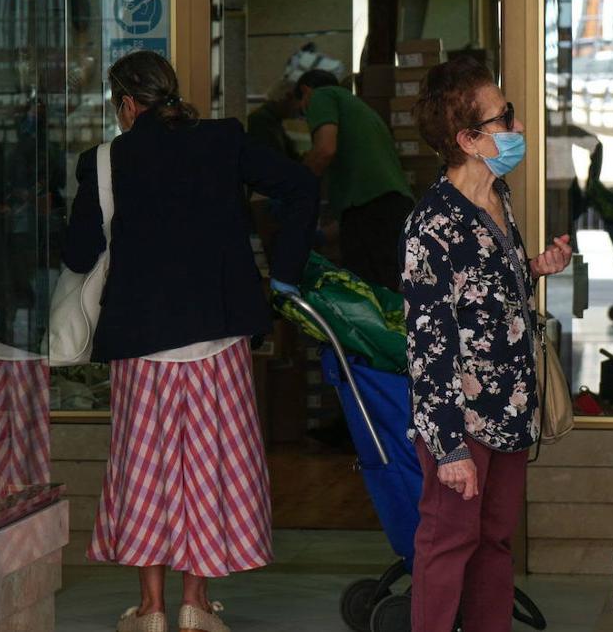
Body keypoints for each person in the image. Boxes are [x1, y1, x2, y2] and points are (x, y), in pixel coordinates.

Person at [62, 51, 319, 632]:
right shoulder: (225, 140)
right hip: (218, 335)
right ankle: (195, 604)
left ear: (126, 103)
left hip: (141, 341)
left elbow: (79, 254)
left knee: (146, 467)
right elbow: (302, 187)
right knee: (209, 466)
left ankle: (150, 608)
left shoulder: (106, 160)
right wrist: (283, 273)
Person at [400, 57, 572, 632]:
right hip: (464, 420)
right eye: (505, 118)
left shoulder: (497, 199)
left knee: (495, 543)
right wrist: (447, 447)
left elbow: (481, 293)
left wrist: (534, 267)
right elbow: (429, 342)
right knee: (449, 544)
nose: (517, 129)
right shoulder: (432, 223)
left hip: (512, 408)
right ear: (468, 139)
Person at [296, 69, 413, 290]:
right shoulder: (355, 106)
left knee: (367, 292)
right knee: (387, 288)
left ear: (305, 91)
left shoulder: (321, 96)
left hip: (374, 211)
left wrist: (293, 189)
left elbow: (324, 150)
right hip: (392, 206)